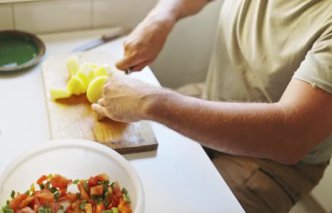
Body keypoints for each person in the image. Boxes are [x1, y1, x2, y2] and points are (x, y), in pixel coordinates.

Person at [92, 0, 332, 212]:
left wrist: (151, 101)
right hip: (214, 95)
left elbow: (291, 136)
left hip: (273, 163)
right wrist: (163, 14)